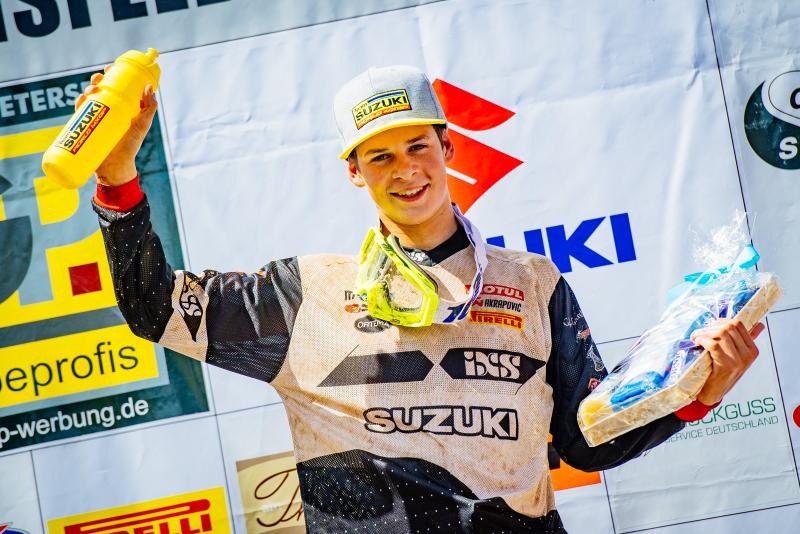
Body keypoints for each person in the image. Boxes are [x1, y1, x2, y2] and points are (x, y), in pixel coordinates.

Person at [80, 65, 763, 533]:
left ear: (448, 148)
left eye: (417, 146)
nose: (405, 169)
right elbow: (153, 305)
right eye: (379, 156)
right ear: (354, 172)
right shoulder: (304, 292)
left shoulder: (534, 283)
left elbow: (586, 443)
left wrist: (698, 394)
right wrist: (118, 179)